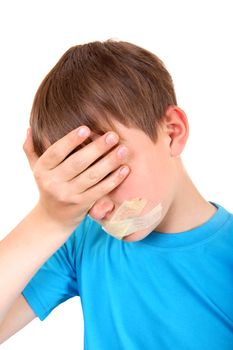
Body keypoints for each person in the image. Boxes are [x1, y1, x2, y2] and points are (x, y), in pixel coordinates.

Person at [0, 40, 232, 349]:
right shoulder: (83, 242)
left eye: (106, 171)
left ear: (172, 132)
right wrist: (50, 219)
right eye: (82, 184)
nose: (98, 210)